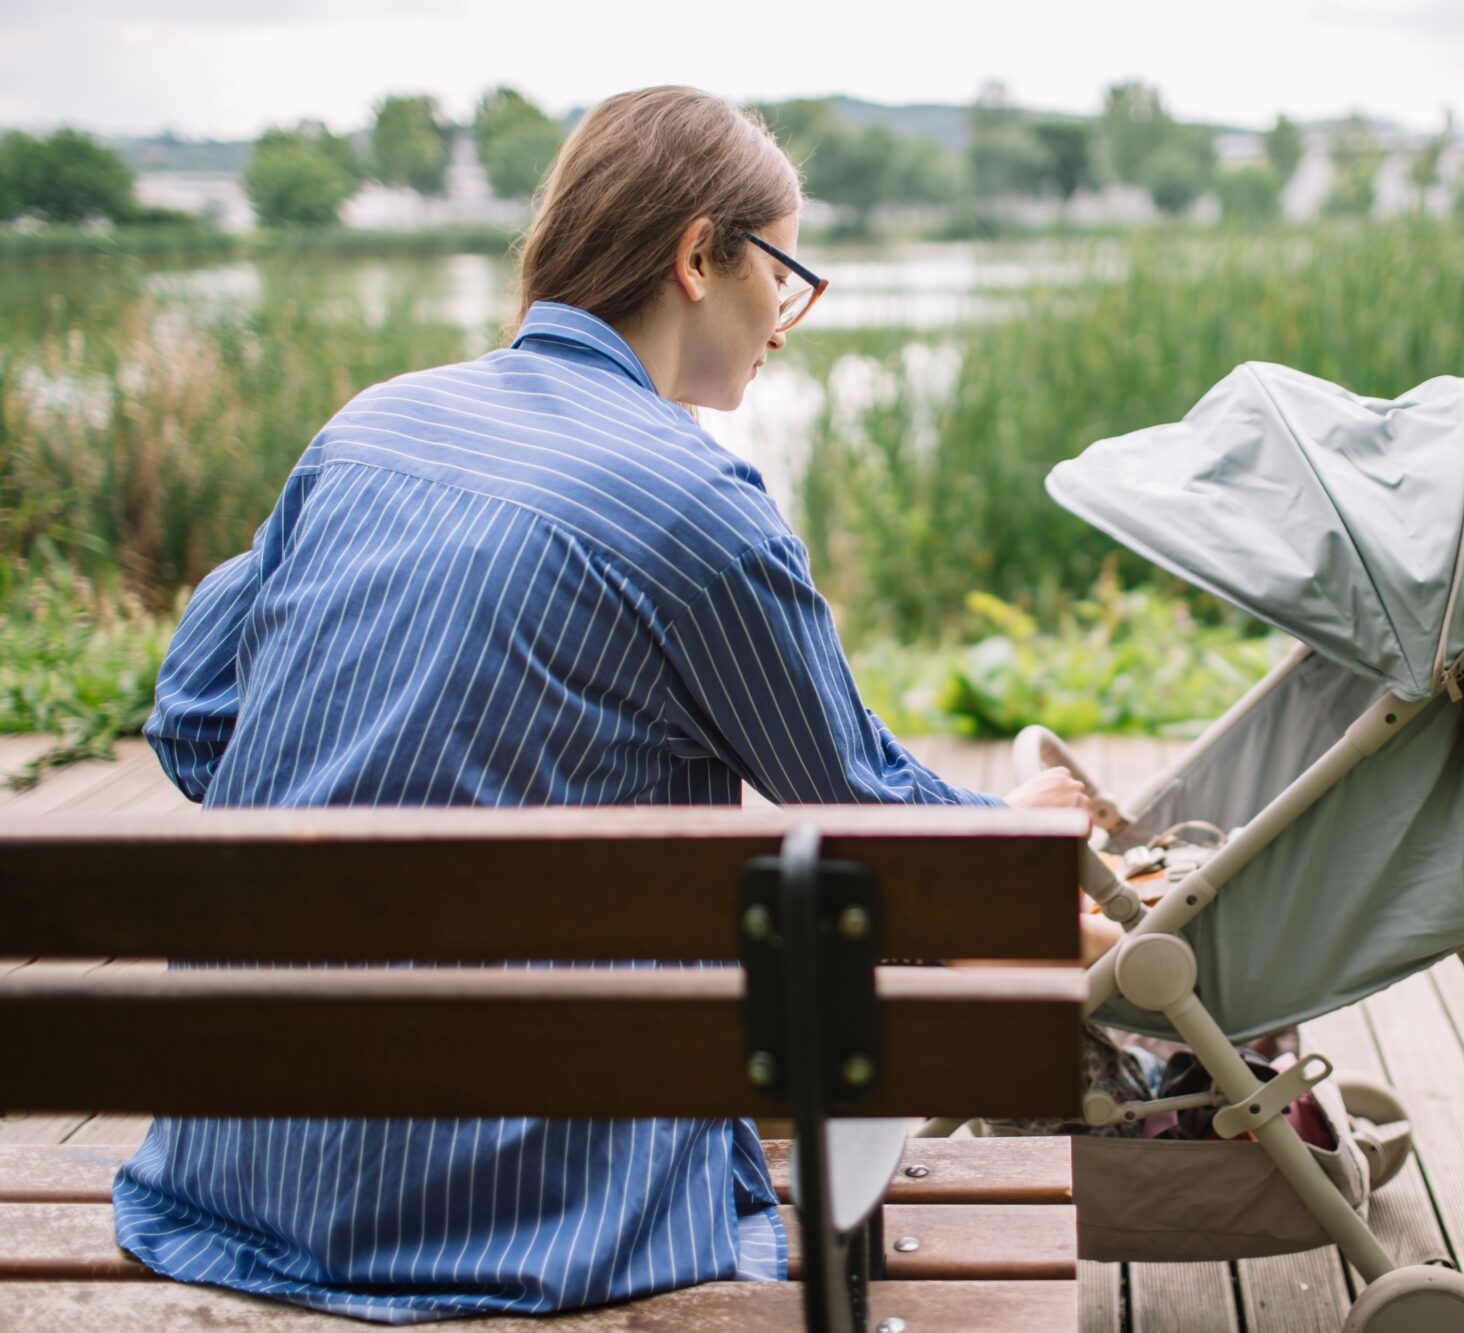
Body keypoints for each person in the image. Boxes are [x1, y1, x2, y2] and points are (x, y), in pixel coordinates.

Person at [112, 85, 1084, 1323]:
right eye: (782, 271)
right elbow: (867, 813)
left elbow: (196, 723)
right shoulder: (699, 505)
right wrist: (1018, 838)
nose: (787, 319)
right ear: (696, 255)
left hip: (236, 1185)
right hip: (535, 1224)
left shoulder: (368, 427)